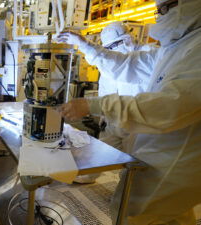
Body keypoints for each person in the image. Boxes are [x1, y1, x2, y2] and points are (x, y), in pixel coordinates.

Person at [58, 0, 201, 224]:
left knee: (137, 214)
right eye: (158, 10)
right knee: (170, 217)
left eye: (165, 9)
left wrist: (96, 105)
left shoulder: (195, 49)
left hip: (172, 164)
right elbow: (127, 65)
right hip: (142, 138)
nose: (160, 16)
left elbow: (169, 106)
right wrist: (84, 45)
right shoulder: (174, 48)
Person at [74, 22, 156, 184]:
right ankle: (88, 175)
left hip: (139, 123)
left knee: (134, 164)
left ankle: (129, 192)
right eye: (108, 48)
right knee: (103, 150)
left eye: (114, 46)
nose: (112, 51)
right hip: (116, 119)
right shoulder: (111, 63)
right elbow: (107, 88)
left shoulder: (149, 55)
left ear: (126, 40)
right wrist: (103, 115)